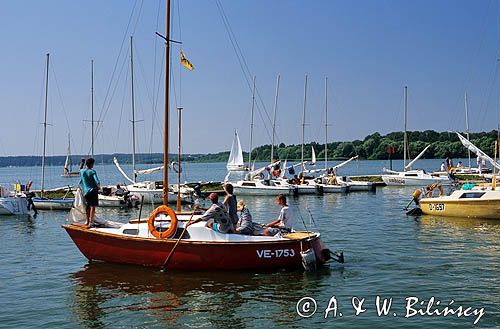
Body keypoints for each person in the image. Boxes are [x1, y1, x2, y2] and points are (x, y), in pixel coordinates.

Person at [80, 158, 100, 227]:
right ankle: (91, 222)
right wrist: (99, 187)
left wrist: (82, 163)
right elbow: (96, 181)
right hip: (93, 190)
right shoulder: (92, 171)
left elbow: (80, 168)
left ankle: (87, 221)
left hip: (85, 192)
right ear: (91, 164)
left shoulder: (82, 171)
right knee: (92, 206)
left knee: (88, 206)